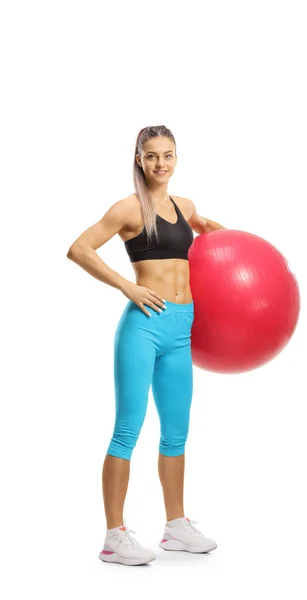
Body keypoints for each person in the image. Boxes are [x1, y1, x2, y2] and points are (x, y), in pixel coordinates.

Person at [66, 125, 227, 566]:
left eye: (168, 155)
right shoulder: (128, 208)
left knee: (176, 431)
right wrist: (125, 286)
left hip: (181, 331)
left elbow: (209, 228)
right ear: (139, 159)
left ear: (177, 158)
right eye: (152, 156)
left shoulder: (184, 206)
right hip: (144, 327)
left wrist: (223, 236)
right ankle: (113, 537)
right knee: (127, 429)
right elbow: (80, 248)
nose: (161, 164)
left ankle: (175, 528)